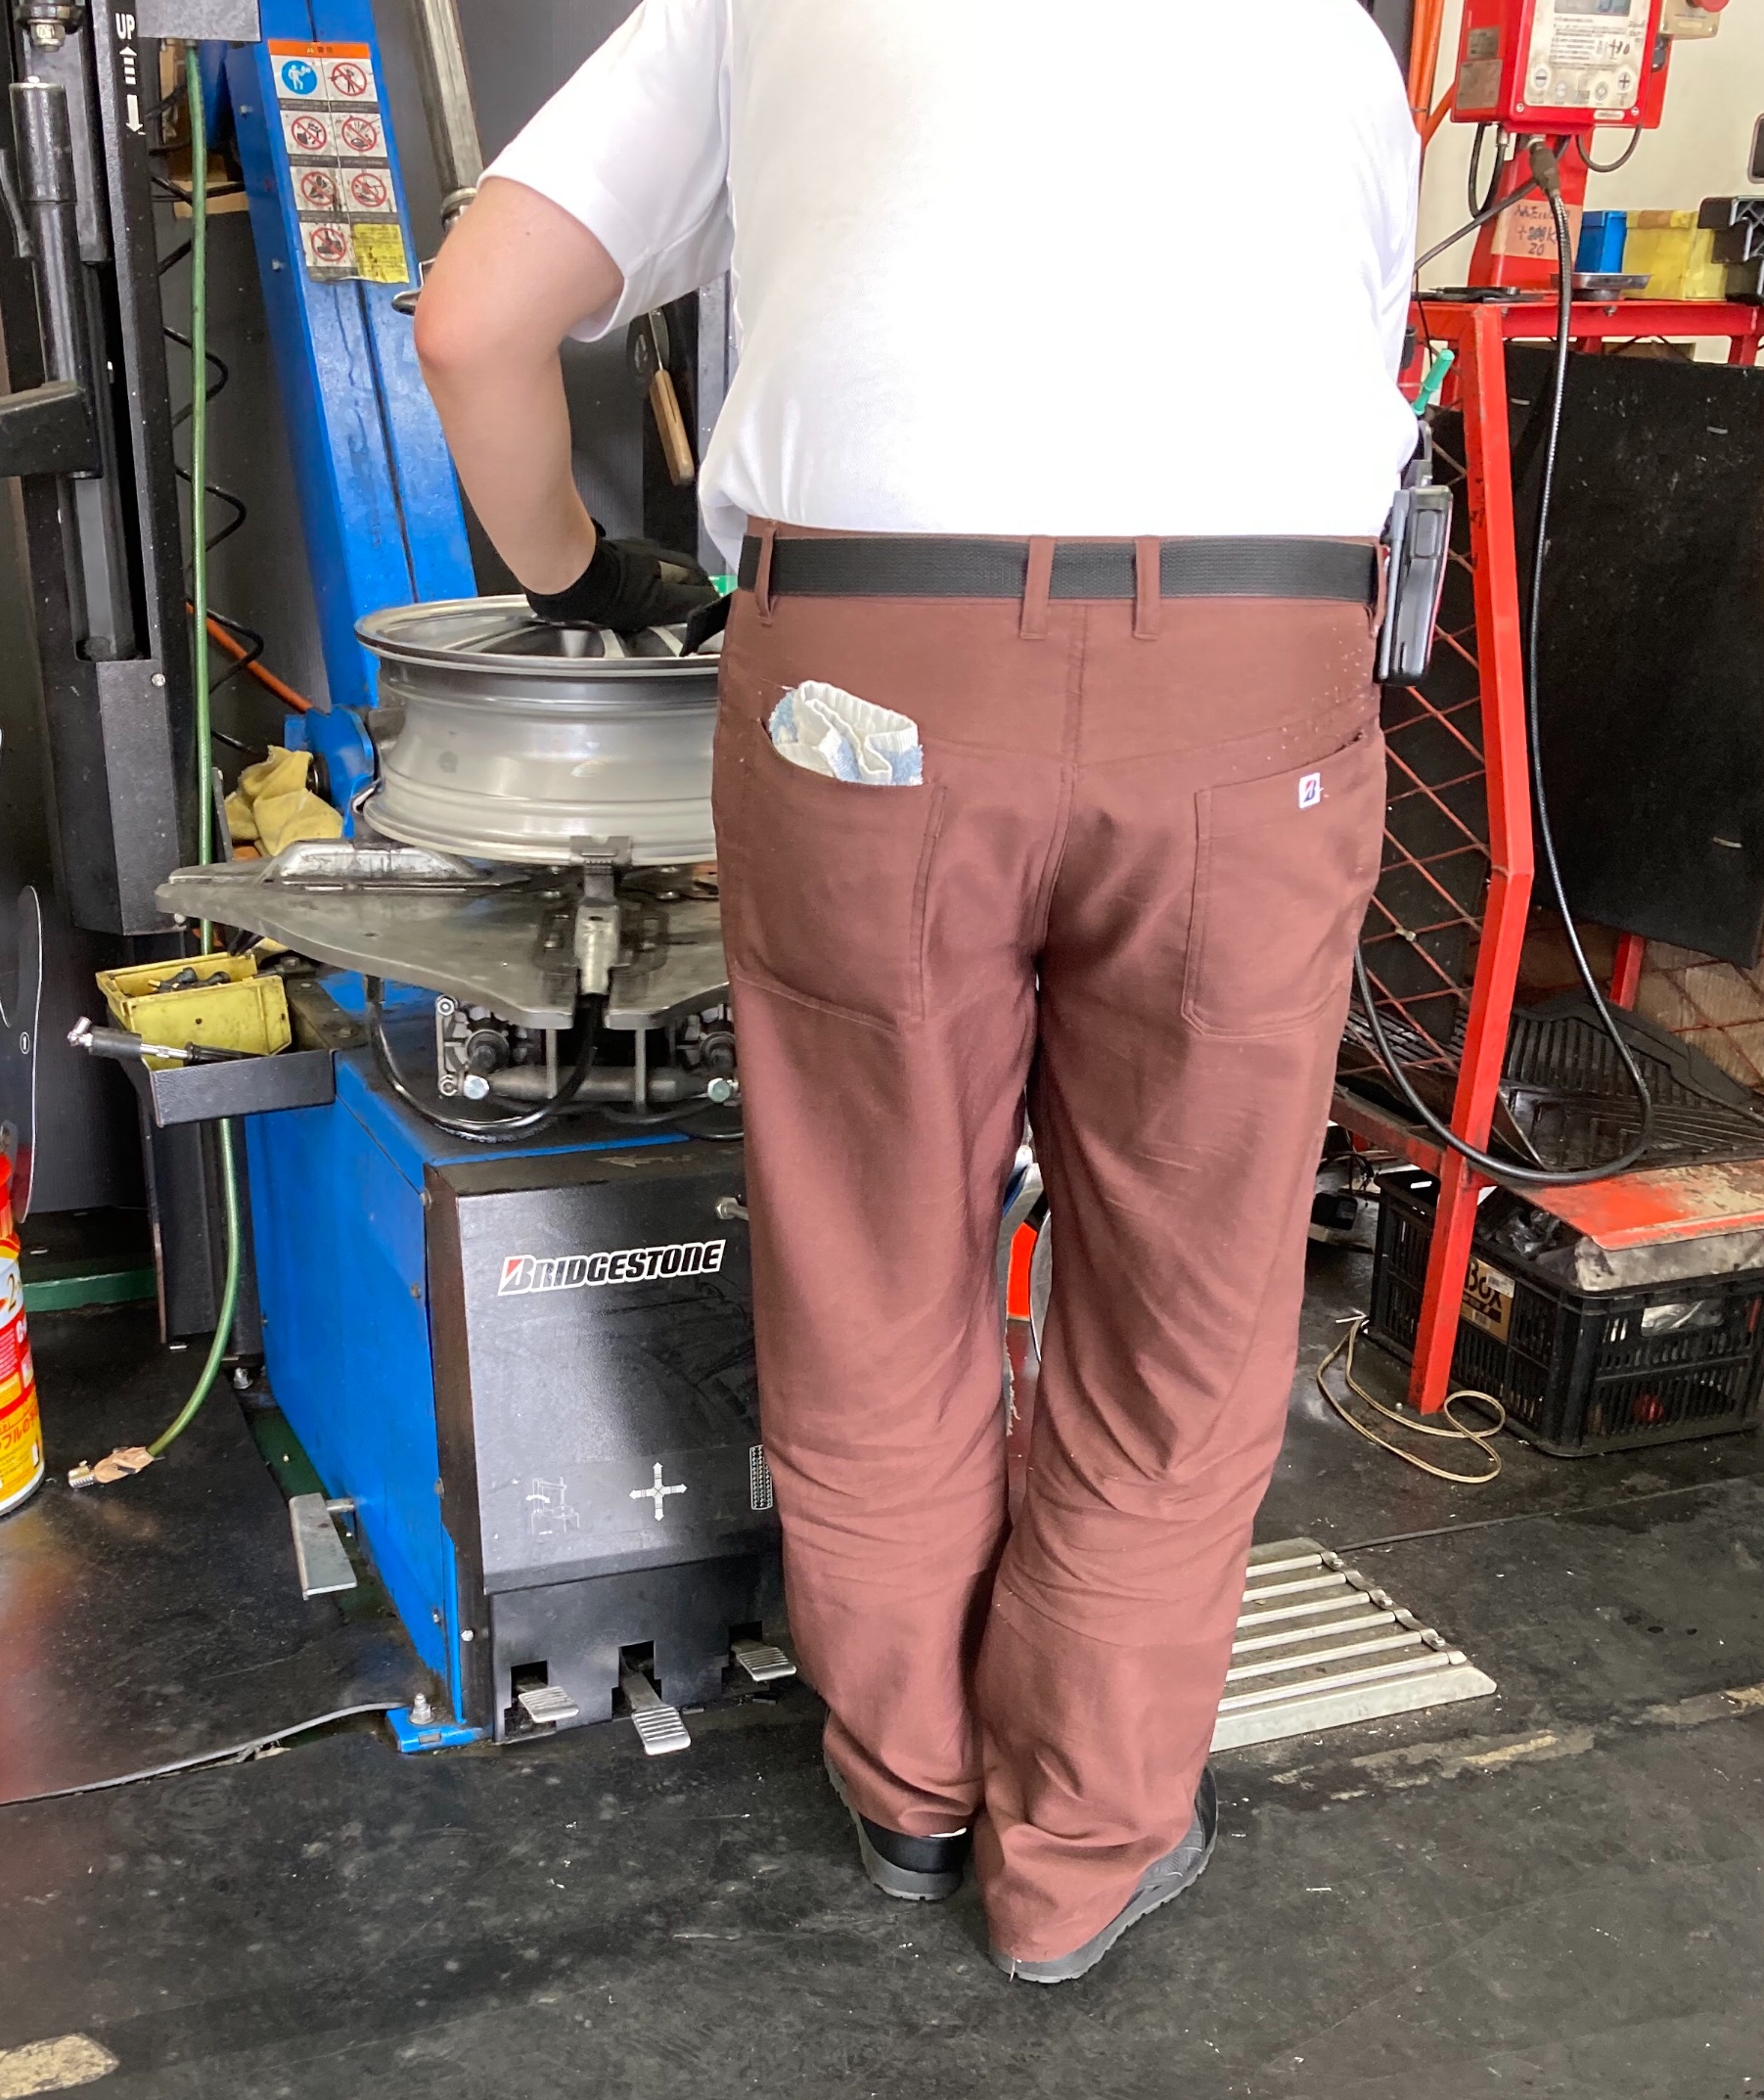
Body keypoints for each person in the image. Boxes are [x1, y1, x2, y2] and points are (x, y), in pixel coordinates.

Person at [415, 0, 1419, 1985]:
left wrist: (572, 570)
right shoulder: (1330, 31)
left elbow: (470, 321)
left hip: (864, 680)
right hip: (1252, 678)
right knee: (1187, 1298)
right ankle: (1082, 1851)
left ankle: (908, 1790)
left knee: (872, 1256)